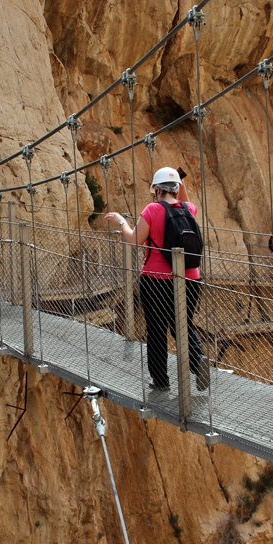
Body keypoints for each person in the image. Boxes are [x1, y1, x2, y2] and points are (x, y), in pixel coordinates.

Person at [104, 166, 207, 393]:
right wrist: (179, 181)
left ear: (157, 190)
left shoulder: (152, 210)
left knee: (157, 329)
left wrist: (121, 221)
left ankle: (160, 380)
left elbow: (134, 240)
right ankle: (198, 359)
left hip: (156, 280)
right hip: (191, 279)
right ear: (177, 189)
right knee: (183, 324)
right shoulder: (189, 209)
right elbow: (185, 200)